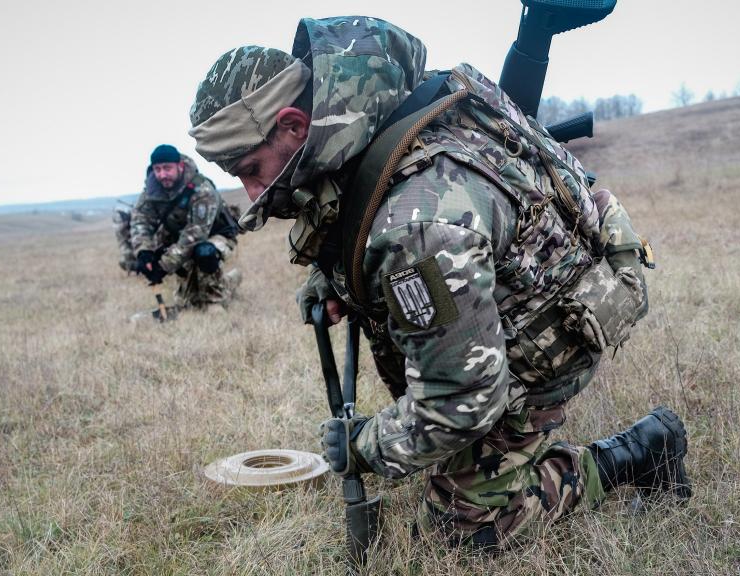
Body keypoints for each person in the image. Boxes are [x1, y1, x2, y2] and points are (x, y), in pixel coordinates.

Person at [188, 18, 690, 547]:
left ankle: (641, 451)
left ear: (294, 124)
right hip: (510, 289)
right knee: (443, 432)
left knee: (462, 532)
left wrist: (367, 446)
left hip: (550, 326)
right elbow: (351, 201)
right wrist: (332, 279)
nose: (251, 191)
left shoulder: (417, 229)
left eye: (251, 168)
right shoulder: (370, 113)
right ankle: (487, 453)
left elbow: (462, 396)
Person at [131, 144, 242, 310]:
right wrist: (144, 252)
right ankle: (232, 279)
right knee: (188, 302)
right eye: (157, 169)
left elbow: (196, 235)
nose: (162, 175)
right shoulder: (151, 191)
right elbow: (141, 220)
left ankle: (215, 300)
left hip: (216, 236)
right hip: (180, 240)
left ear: (180, 166)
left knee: (204, 253)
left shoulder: (201, 189)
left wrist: (163, 266)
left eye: (167, 168)